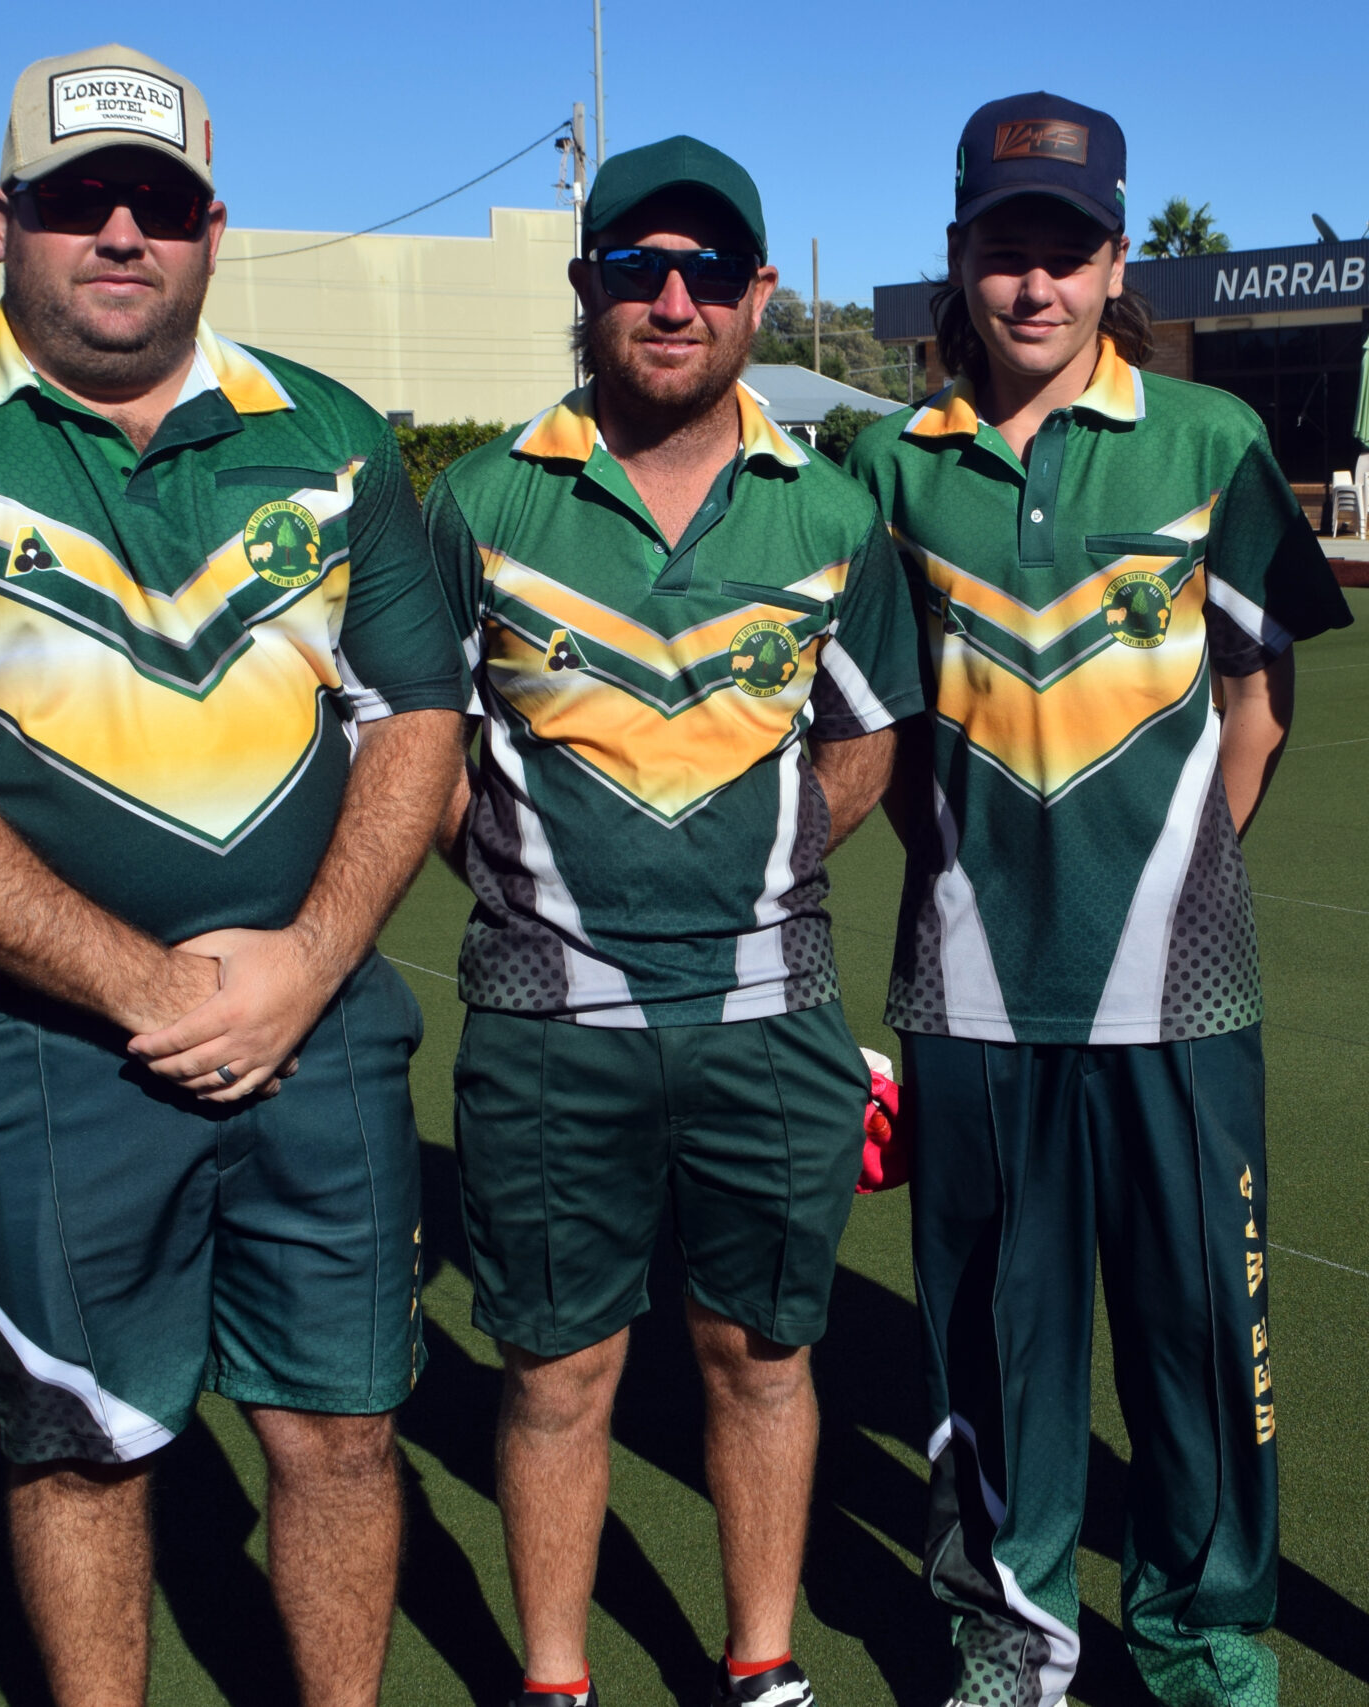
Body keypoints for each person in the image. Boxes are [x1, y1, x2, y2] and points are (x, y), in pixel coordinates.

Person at [0, 44, 465, 1707]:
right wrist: (152, 990)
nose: (123, 235)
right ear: (4, 223)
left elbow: (419, 715)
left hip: (325, 1030)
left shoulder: (335, 436)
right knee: (83, 1454)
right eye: (82, 201)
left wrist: (302, 962)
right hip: (43, 1050)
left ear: (215, 228)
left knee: (347, 1433)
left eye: (160, 203)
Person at [844, 94, 1351, 1707]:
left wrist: (1179, 865)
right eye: (1007, 252)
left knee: (1203, 1331)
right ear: (957, 267)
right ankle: (1016, 1629)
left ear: (1116, 259)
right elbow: (881, 734)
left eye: (1067, 252)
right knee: (997, 1340)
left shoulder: (1212, 444)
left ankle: (1206, 1634)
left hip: (1179, 985)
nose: (1036, 286)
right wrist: (967, 873)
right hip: (973, 985)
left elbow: (1257, 701)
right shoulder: (882, 467)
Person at [419, 137, 924, 1707]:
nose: (674, 297)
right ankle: (556, 1676)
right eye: (638, 268)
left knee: (761, 1355)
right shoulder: (480, 501)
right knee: (557, 1370)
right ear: (590, 289)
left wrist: (752, 872)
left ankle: (760, 1660)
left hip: (768, 1013)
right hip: (545, 1017)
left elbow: (864, 742)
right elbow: (423, 758)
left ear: (761, 293)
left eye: (709, 270)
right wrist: (532, 886)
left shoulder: (833, 512)